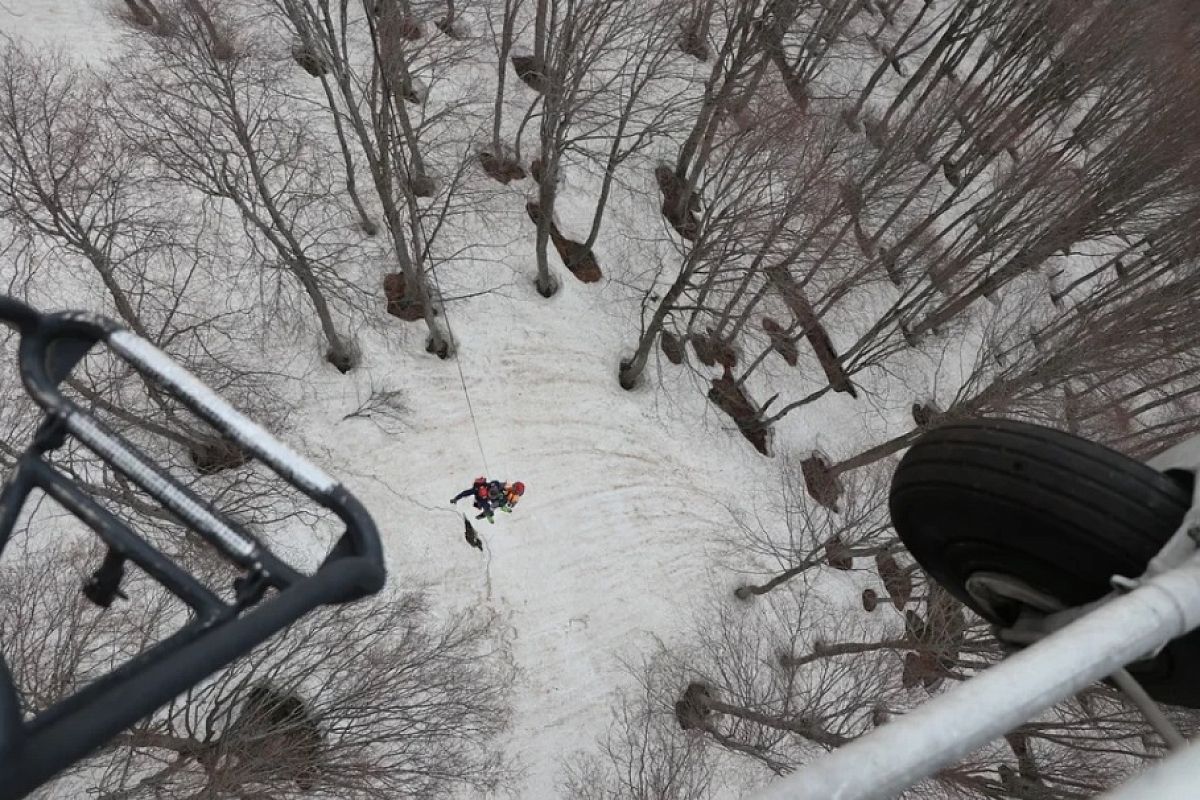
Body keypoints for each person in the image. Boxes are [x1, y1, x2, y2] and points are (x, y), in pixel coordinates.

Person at [451, 477, 526, 523]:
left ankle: (501, 506)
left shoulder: (496, 486)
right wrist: (456, 499)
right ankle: (488, 514)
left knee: (500, 500)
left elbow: (502, 486)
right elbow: (465, 493)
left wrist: (512, 502)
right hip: (483, 500)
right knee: (488, 507)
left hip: (497, 494)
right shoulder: (480, 494)